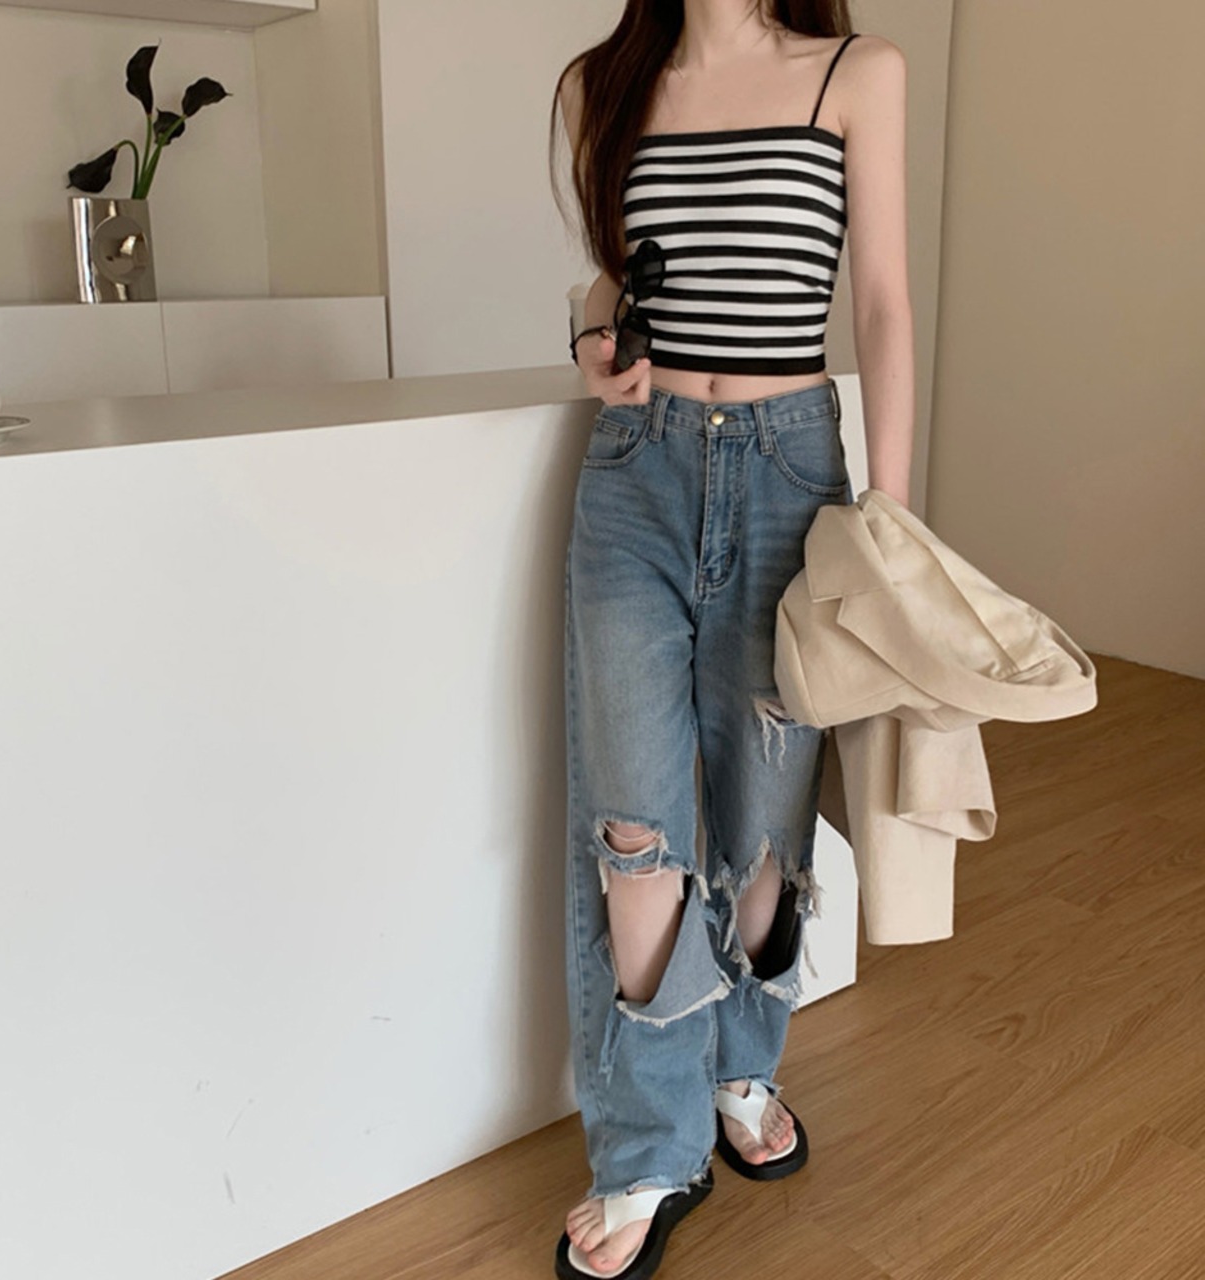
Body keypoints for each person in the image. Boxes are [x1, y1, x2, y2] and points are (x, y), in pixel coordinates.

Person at [549, 3, 914, 1277]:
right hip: (633, 480)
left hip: (788, 480)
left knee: (764, 836)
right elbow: (618, 271)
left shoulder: (855, 73)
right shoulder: (604, 81)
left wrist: (889, 519)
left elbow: (880, 302)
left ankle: (740, 1069)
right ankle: (646, 1147)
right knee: (633, 835)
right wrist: (593, 332)